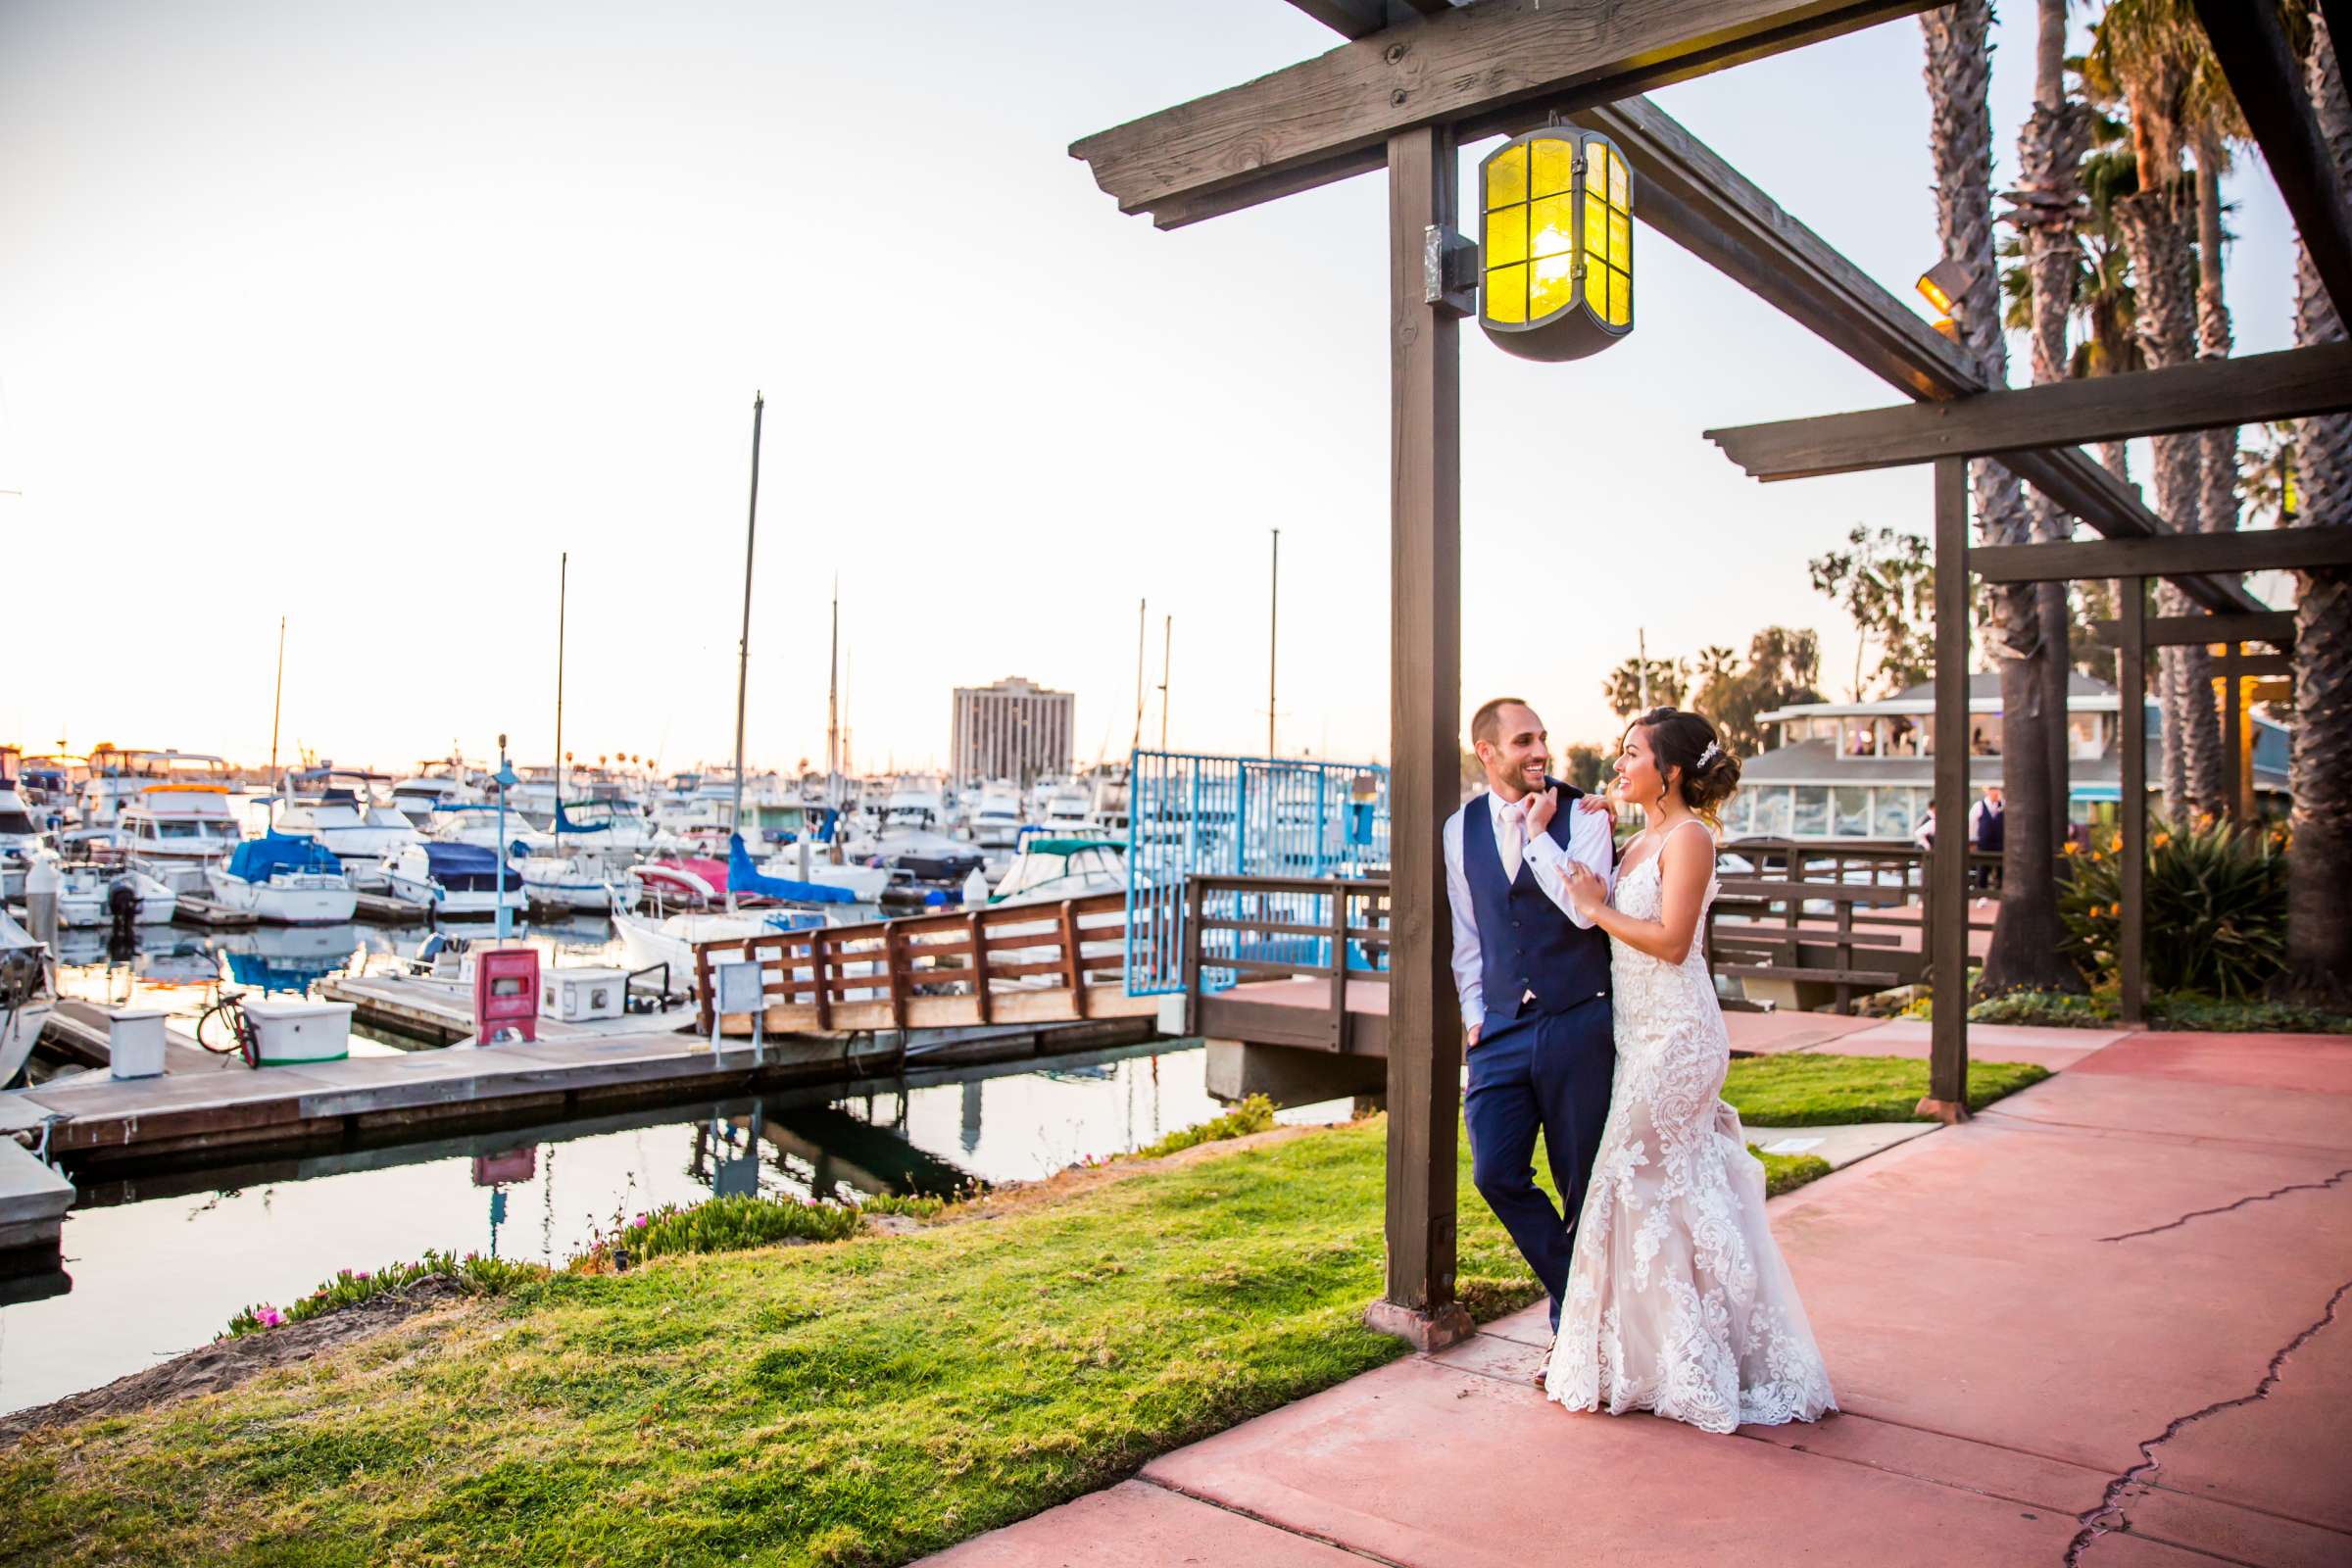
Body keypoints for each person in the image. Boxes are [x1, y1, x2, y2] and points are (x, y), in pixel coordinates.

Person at [1544, 707, 1836, 1434]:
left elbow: (1673, 943)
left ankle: (1688, 1363)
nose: (1618, 764)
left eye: (1631, 754)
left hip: (1679, 1036)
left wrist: (1593, 907)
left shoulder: (1691, 837)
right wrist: (1596, 816)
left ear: (1669, 769)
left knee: (1626, 1177)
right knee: (1656, 1193)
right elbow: (1607, 834)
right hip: (1636, 1034)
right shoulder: (1640, 838)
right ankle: (1652, 1359)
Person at [1443, 697, 1617, 1375]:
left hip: (1578, 1017)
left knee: (1583, 1183)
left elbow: (1584, 913)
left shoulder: (1584, 815)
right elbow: (1467, 933)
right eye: (1524, 741)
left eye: (1543, 738)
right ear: (1487, 753)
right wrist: (1474, 1015)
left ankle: (1573, 1338)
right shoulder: (1459, 831)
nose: (1540, 751)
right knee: (1495, 1172)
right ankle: (1584, 1303)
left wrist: (1544, 832)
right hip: (1502, 1029)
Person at [1968, 785, 2005, 891]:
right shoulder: (1979, 805)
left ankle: (1999, 891)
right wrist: (1972, 841)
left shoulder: (2003, 804)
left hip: (2000, 843)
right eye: (1993, 790)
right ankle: (1981, 893)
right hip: (1984, 842)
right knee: (1983, 869)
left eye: (1997, 790)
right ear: (1987, 792)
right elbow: (1972, 824)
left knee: (2001, 869)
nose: (1995, 792)